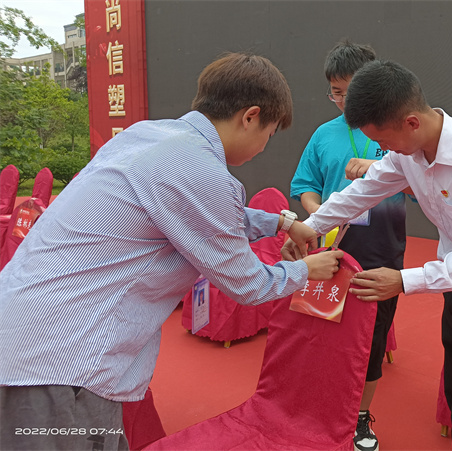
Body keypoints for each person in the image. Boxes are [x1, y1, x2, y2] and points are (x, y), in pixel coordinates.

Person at [0, 52, 342, 451]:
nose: (264, 146)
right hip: (60, 359)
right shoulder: (200, 169)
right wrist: (307, 270)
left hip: (33, 333)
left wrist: (280, 223)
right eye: (270, 133)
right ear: (250, 116)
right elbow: (248, 283)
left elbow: (200, 214)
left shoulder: (149, 136)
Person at [282, 59, 452, 450]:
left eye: (384, 142)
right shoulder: (406, 154)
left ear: (411, 122)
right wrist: (309, 227)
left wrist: (402, 280)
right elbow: (360, 193)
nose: (382, 152)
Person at [289, 40, 406, 451]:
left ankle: (359, 417)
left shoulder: (395, 132)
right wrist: (318, 212)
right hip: (331, 250)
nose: (342, 101)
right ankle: (320, 402)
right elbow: (304, 185)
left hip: (382, 250)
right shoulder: (323, 135)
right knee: (322, 328)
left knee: (370, 339)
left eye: (349, 91)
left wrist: (381, 168)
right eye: (335, 92)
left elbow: (422, 182)